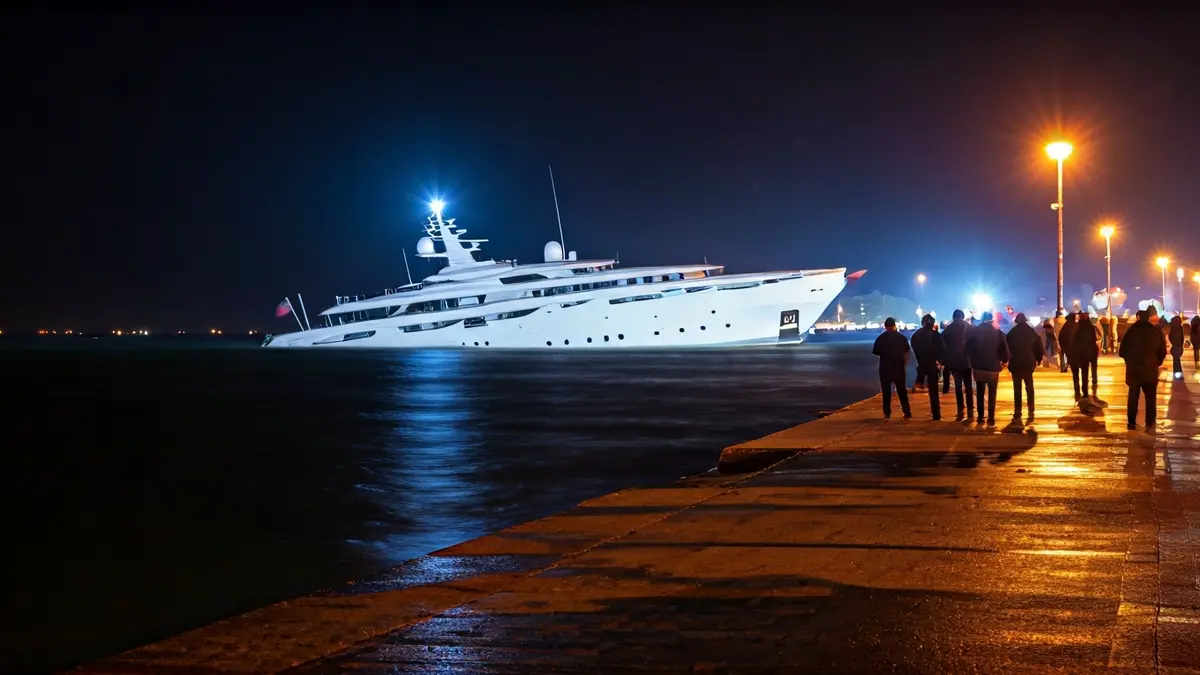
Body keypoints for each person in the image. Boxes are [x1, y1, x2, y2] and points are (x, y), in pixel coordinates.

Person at [1119, 310, 1167, 431]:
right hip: (1150, 370)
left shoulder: (1131, 332)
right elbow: (1162, 351)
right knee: (1150, 398)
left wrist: (1129, 361)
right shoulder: (1155, 332)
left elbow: (1122, 351)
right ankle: (1150, 423)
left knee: (1133, 396)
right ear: (1149, 318)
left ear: (1138, 317)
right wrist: (1156, 362)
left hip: (1134, 371)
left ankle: (1131, 422)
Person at [966, 311, 1009, 426]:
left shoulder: (974, 332)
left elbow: (968, 348)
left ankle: (980, 417)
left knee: (980, 392)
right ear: (992, 320)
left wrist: (972, 361)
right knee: (992, 392)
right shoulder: (998, 333)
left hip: (978, 367)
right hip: (993, 367)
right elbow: (1005, 349)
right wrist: (1004, 361)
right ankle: (991, 417)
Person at [1005, 313, 1044, 420]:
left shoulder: (1012, 333)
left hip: (1015, 363)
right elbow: (1038, 347)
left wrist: (1006, 359)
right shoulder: (1031, 332)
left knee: (1017, 387)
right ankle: (1031, 408)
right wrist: (1038, 359)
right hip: (1028, 363)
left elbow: (1006, 346)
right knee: (1029, 386)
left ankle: (1018, 410)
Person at [872, 317, 912, 419]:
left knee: (886, 392)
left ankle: (887, 413)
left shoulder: (881, 338)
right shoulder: (901, 338)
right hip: (899, 367)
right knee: (902, 391)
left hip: (885, 368)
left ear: (885, 327)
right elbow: (907, 351)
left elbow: (876, 351)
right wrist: (905, 363)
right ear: (894, 326)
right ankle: (906, 411)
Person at [910, 313, 946, 420]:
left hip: (922, 364)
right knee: (934, 391)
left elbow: (915, 347)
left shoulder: (917, 334)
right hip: (933, 365)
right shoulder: (936, 335)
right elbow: (942, 349)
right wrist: (939, 361)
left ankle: (919, 381)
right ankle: (936, 414)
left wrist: (920, 359)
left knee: (927, 385)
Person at [941, 309, 974, 421]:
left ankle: (960, 410)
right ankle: (970, 411)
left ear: (953, 317)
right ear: (962, 316)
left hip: (954, 361)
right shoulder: (969, 327)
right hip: (967, 361)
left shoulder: (948, 329)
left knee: (958, 387)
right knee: (968, 387)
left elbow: (942, 344)